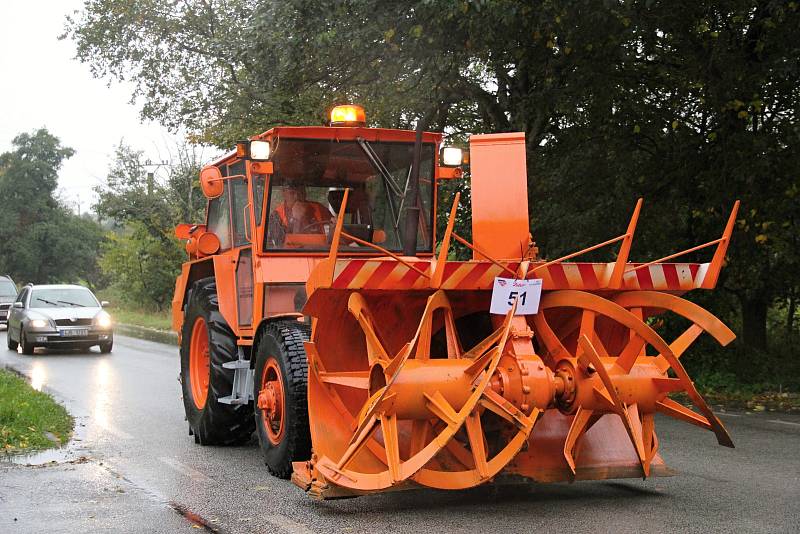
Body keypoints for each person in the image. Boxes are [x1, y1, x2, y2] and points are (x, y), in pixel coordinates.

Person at [267, 184, 332, 246]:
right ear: (284, 193)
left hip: (322, 254)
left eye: (300, 193)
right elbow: (281, 247)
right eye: (292, 193)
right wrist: (297, 220)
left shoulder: (319, 209)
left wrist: (334, 228)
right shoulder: (276, 215)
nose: (297, 197)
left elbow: (337, 239)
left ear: (305, 193)